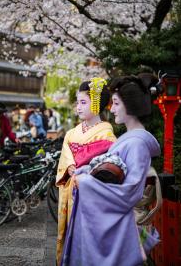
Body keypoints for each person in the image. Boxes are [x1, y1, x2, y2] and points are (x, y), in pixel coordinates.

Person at [61, 73, 161, 266]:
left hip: (116, 228)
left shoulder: (137, 144)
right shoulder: (130, 138)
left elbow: (129, 192)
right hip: (111, 222)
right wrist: (85, 172)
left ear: (130, 106)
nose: (112, 109)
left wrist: (87, 183)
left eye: (116, 103)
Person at [56, 77, 116, 265]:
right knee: (69, 235)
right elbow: (65, 156)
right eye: (77, 102)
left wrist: (81, 165)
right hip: (70, 189)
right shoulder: (71, 133)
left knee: (87, 239)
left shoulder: (106, 133)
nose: (78, 107)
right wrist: (70, 166)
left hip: (90, 195)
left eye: (83, 102)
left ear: (96, 104)